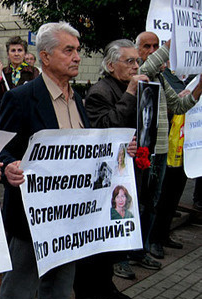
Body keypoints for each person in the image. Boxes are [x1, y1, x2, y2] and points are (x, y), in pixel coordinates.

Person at [0, 22, 87, 299]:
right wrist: (8, 165)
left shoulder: (78, 100)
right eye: (69, 50)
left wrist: (120, 152)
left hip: (71, 219)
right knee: (20, 293)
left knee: (59, 292)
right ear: (46, 57)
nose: (76, 56)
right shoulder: (21, 99)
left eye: (78, 50)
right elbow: (2, 150)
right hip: (30, 220)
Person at [84, 39, 151, 282]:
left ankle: (107, 285)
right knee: (101, 234)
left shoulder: (133, 87)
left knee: (118, 231)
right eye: (129, 61)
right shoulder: (101, 91)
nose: (136, 66)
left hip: (128, 171)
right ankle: (88, 291)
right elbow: (106, 127)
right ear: (111, 65)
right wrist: (131, 93)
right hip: (106, 176)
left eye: (138, 61)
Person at [136, 32, 202, 263]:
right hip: (143, 152)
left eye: (156, 46)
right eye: (147, 46)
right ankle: (134, 251)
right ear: (137, 51)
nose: (152, 50)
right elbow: (150, 63)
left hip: (161, 149)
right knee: (140, 204)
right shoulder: (139, 75)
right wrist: (179, 38)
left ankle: (144, 248)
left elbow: (180, 105)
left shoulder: (161, 79)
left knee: (152, 203)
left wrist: (200, 85)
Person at [0, 36, 40, 100]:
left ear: (25, 53)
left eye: (20, 50)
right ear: (8, 54)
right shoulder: (3, 72)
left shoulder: (33, 71)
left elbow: (36, 93)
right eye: (13, 51)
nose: (16, 54)